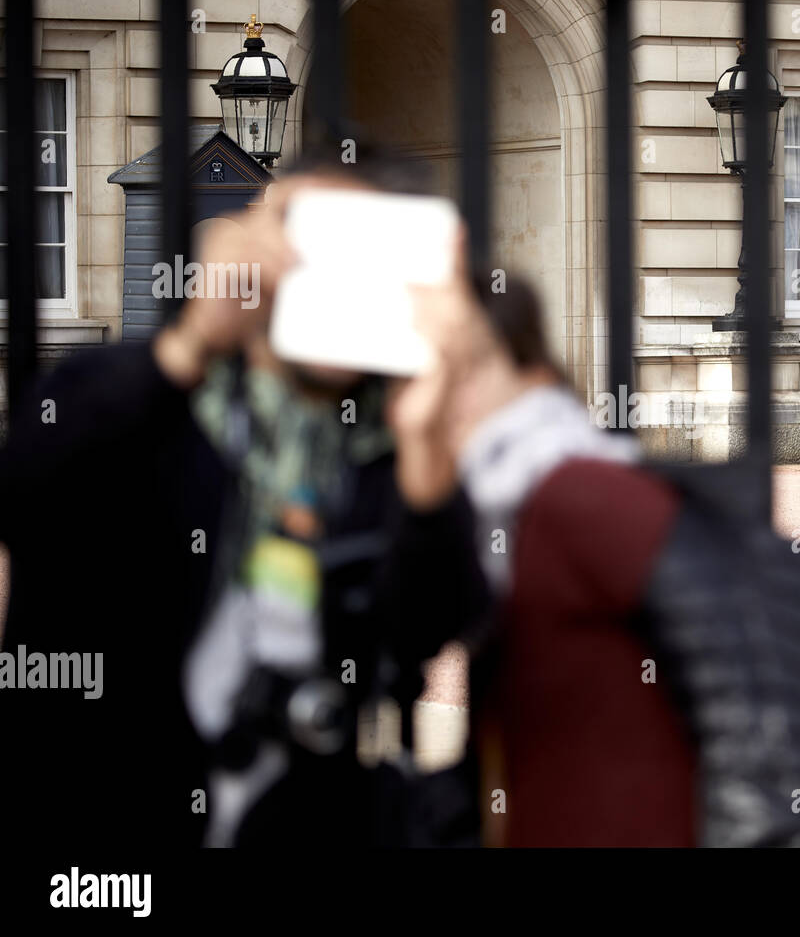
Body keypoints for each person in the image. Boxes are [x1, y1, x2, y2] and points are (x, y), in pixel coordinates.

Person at [0, 151, 487, 847]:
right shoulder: (140, 392)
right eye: (303, 234)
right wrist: (191, 343)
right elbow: (26, 494)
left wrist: (431, 432)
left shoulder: (393, 443)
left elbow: (439, 620)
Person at [407, 260, 698, 846]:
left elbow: (732, 628)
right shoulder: (491, 500)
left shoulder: (574, 488)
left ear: (532, 373)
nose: (440, 396)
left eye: (464, 370)